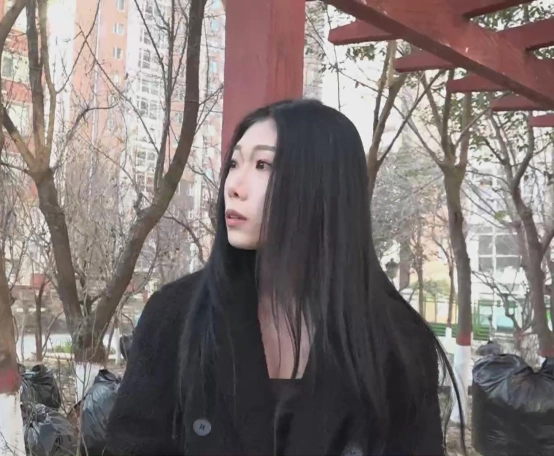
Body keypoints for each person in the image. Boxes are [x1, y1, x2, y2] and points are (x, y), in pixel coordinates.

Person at [105, 99, 461, 455]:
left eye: (263, 165)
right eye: (234, 164)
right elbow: (132, 443)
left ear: (323, 185)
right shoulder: (175, 315)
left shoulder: (396, 341)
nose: (234, 186)